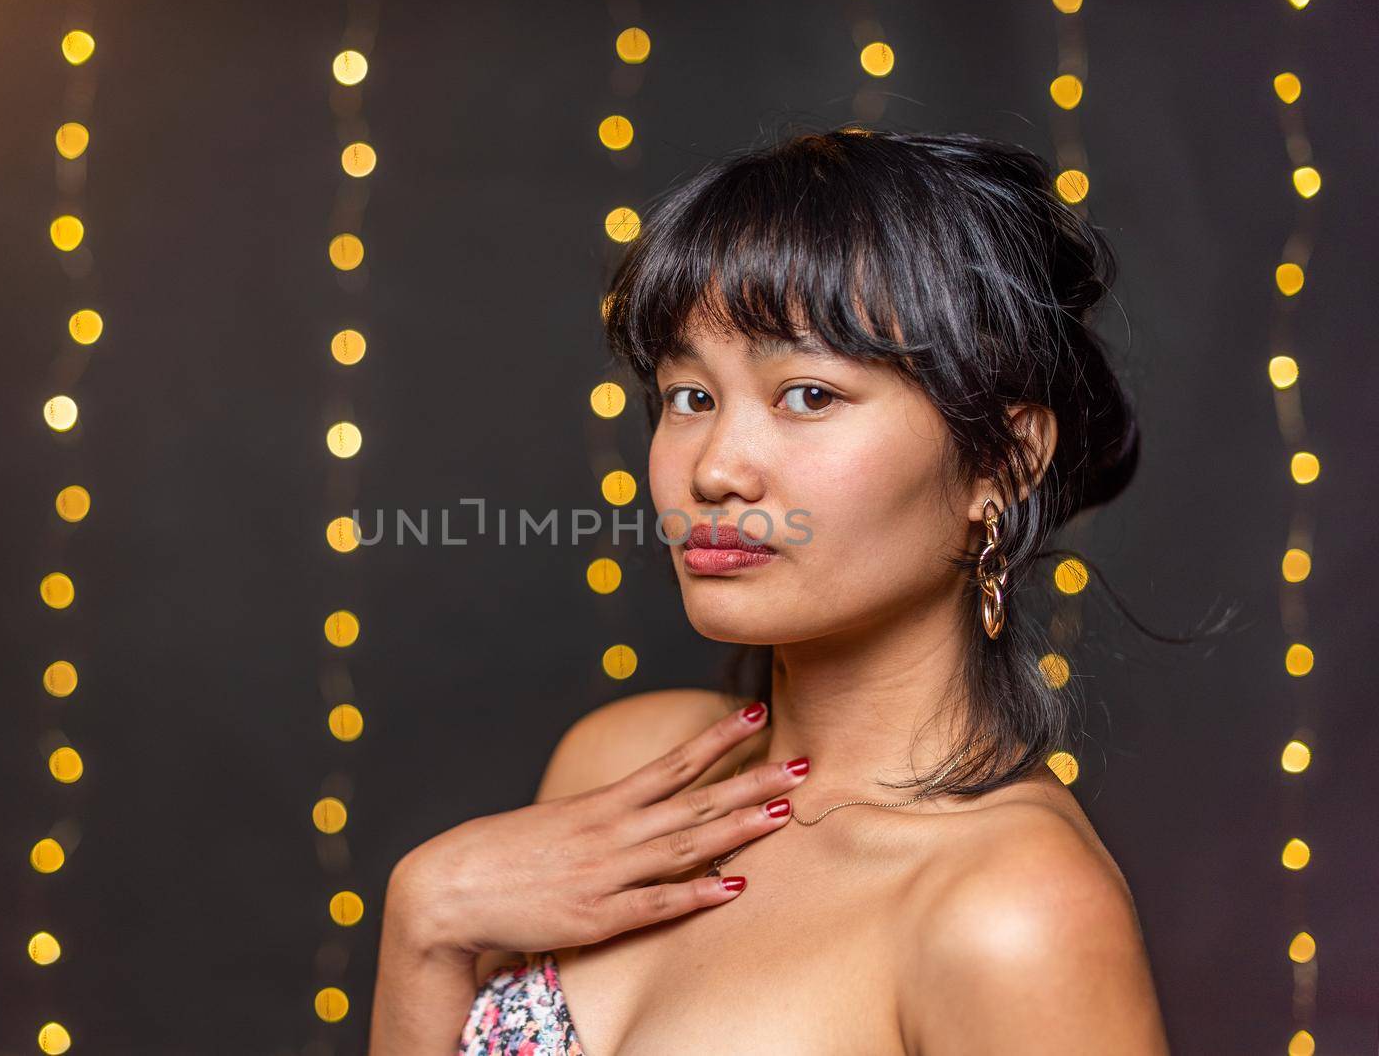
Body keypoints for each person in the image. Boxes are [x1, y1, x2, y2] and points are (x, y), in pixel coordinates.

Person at [370, 125, 1172, 1054]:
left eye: (809, 396)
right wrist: (425, 923)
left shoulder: (1013, 911)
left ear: (1003, 456)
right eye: (690, 397)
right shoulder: (616, 769)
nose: (714, 471)